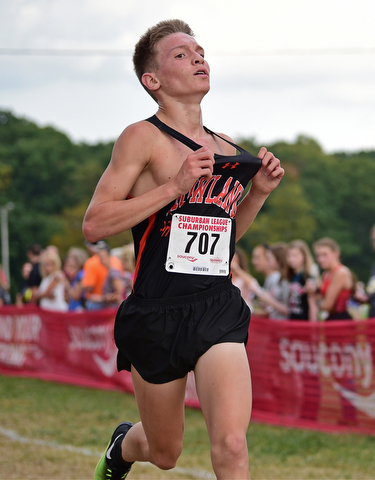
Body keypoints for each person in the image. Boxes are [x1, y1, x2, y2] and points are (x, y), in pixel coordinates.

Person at [82, 19, 284, 480]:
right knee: (164, 451)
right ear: (151, 81)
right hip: (156, 313)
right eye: (180, 54)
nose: (197, 57)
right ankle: (122, 447)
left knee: (232, 444)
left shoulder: (227, 148)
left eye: (199, 50)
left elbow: (224, 240)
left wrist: (259, 194)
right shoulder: (142, 137)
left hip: (216, 306)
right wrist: (175, 186)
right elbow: (94, 223)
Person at [313, 237, 354, 320]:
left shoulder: (340, 272)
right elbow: (322, 298)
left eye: (324, 254)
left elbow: (327, 305)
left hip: (341, 320)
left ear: (335, 253)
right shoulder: (325, 273)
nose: (320, 259)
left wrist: (312, 299)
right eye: (318, 256)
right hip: (330, 318)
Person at [82, 240, 123, 310]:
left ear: (108, 256)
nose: (101, 260)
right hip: (108, 306)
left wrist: (101, 298)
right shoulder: (114, 266)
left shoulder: (113, 272)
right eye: (100, 257)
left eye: (103, 257)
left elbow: (119, 294)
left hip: (111, 308)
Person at [286, 239, 319, 321]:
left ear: (304, 256)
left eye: (295, 256)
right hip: (293, 319)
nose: (291, 259)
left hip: (304, 321)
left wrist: (313, 328)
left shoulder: (308, 277)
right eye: (289, 256)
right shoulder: (291, 276)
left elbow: (312, 304)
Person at [64, 247, 88, 311]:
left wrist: (66, 283)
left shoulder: (81, 274)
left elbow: (76, 296)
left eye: (72, 258)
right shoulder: (77, 274)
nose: (69, 260)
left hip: (78, 309)